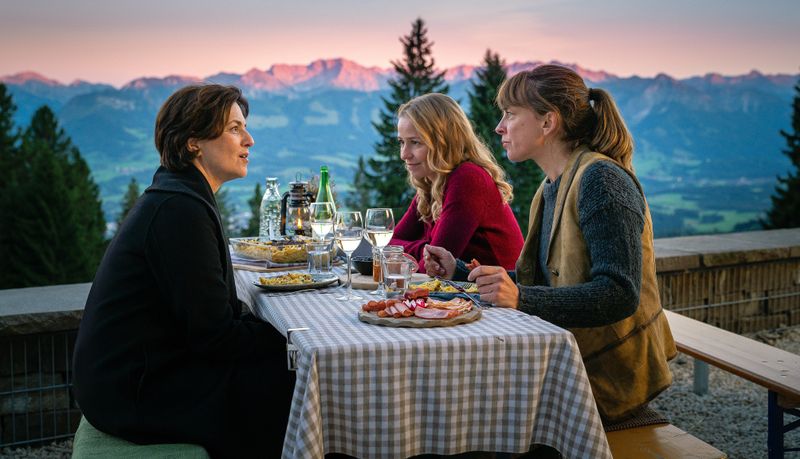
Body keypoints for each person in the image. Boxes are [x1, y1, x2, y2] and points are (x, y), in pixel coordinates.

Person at [424, 65, 677, 425]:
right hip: (568, 360)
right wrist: (461, 271)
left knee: (469, 414)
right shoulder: (552, 186)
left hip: (607, 379)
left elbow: (619, 293)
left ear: (548, 122)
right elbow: (547, 277)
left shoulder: (602, 181)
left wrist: (521, 298)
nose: (499, 127)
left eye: (510, 115)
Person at [72, 84, 294, 457]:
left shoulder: (180, 196)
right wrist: (294, 338)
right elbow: (216, 337)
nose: (250, 140)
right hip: (136, 392)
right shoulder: (179, 210)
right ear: (194, 141)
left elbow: (209, 322)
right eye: (235, 129)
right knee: (286, 382)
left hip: (133, 377)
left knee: (278, 372)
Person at [388, 93, 524, 273]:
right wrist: (423, 248)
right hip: (462, 293)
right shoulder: (432, 182)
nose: (404, 154)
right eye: (401, 142)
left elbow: (430, 270)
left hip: (495, 297)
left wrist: (413, 253)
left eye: (415, 142)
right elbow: (388, 246)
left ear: (444, 142)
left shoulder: (468, 178)